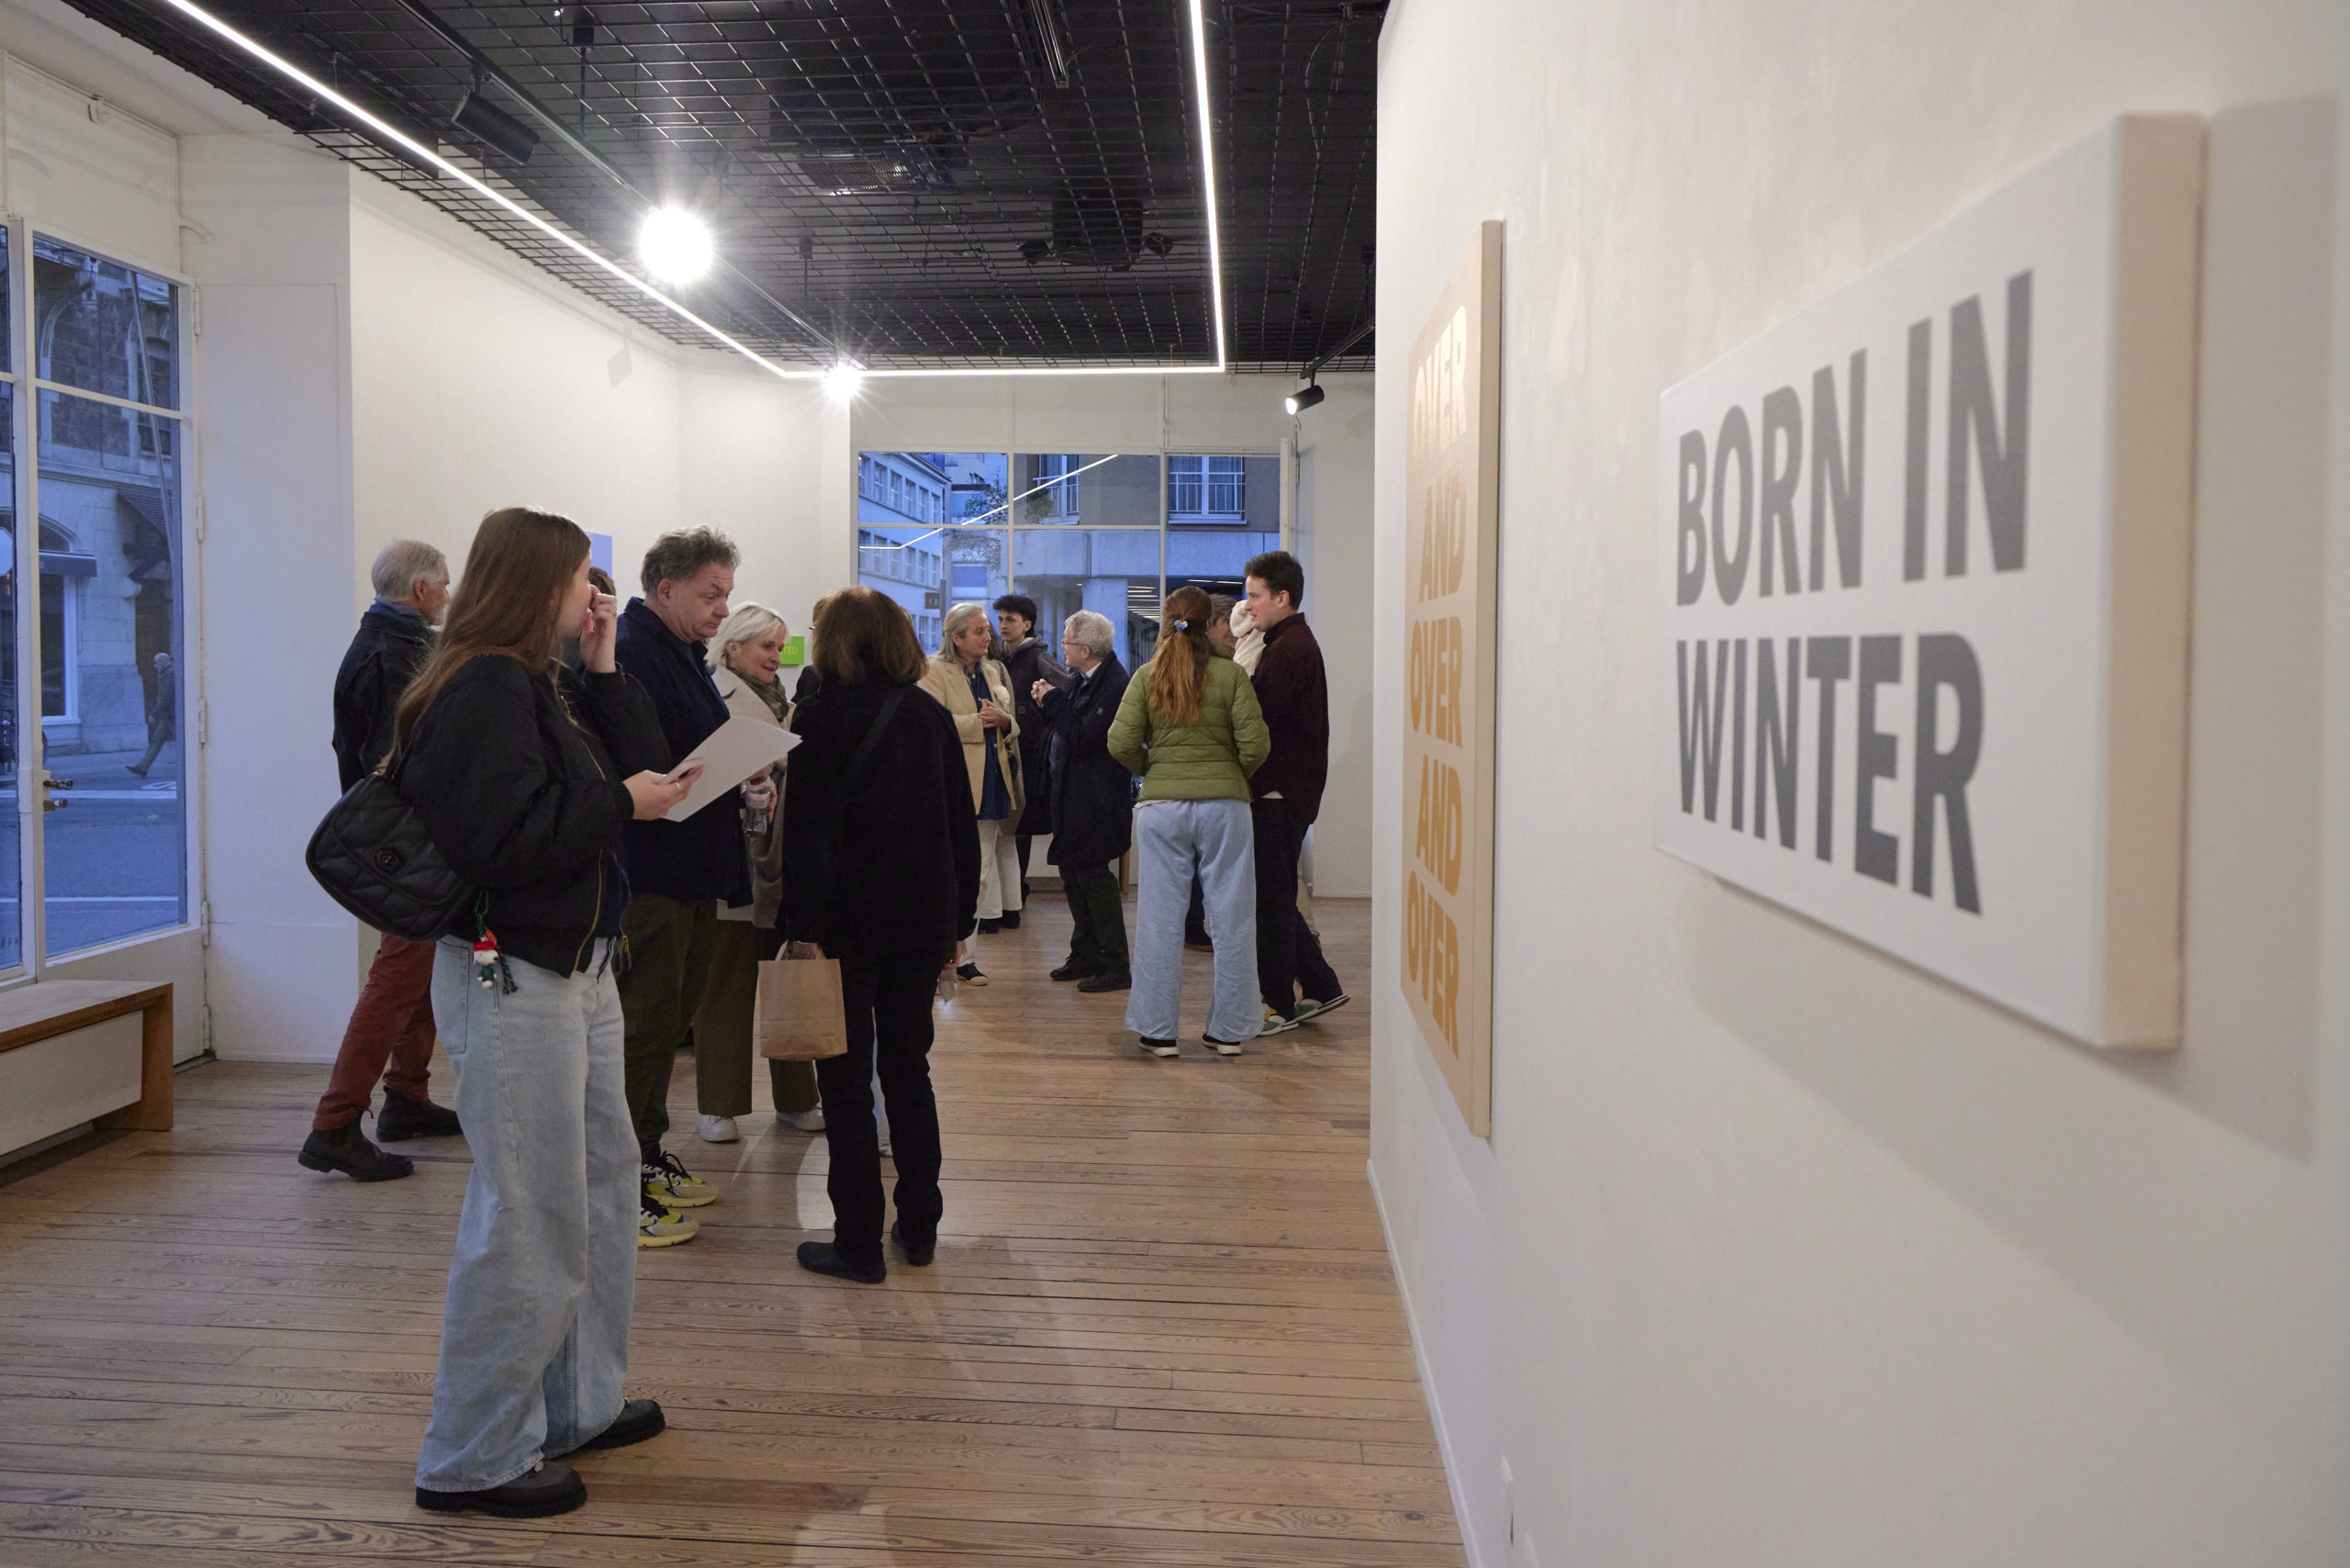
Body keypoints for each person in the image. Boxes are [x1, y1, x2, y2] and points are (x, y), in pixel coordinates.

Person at [394, 506, 695, 1518]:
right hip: (513, 969)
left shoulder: (539, 680)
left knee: (601, 1185)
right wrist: (621, 804)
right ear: (535, 584)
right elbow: (503, 841)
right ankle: (471, 1453)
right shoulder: (480, 686)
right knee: (529, 1207)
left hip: (575, 964)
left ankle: (574, 1404)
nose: (593, 595)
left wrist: (604, 666)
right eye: (580, 580)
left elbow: (645, 764)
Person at [781, 587, 978, 1284]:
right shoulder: (929, 714)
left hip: (845, 925)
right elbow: (959, 828)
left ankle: (858, 1243)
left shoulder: (818, 718)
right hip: (920, 924)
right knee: (908, 1071)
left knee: (845, 1083)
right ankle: (919, 1229)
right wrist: (958, 924)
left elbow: (809, 839)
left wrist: (803, 930)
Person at [298, 541, 461, 1183]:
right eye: (443, 584)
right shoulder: (397, 655)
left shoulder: (384, 643)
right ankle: (335, 1123)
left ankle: (407, 1097)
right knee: (397, 976)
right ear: (420, 590)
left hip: (402, 843)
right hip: (408, 847)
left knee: (416, 968)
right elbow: (398, 761)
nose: (448, 594)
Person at [613, 528, 746, 1236]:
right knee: (643, 1026)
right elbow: (641, 760)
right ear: (665, 590)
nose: (722, 607)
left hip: (690, 865)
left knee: (668, 1024)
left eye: (726, 594)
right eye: (711, 594)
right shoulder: (633, 652)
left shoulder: (680, 652)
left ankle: (646, 1151)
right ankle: (620, 1176)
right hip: (652, 872)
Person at [1107, 586, 1269, 1058]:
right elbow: (1256, 745)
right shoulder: (1232, 674)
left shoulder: (1147, 675)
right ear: (1208, 624)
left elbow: (1120, 743)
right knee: (1233, 918)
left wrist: (1154, 770)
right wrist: (1229, 773)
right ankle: (1229, 1031)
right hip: (1225, 807)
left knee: (1159, 918)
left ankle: (1158, 1031)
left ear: (1166, 623)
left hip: (1162, 808)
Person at [689, 601, 823, 1143]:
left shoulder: (784, 701)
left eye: (780, 646)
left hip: (784, 862)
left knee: (786, 981)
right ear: (733, 647)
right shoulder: (712, 697)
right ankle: (718, 1105)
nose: (776, 656)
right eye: (766, 646)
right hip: (735, 862)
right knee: (726, 986)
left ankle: (797, 1099)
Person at [1243, 550, 1348, 1034]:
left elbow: (1255, 720)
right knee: (1278, 898)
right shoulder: (1287, 642)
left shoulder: (1288, 650)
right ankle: (1322, 985)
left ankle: (1278, 1005)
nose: (1247, 606)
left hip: (1277, 795)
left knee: (1271, 905)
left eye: (1255, 596)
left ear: (1282, 597)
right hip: (1285, 794)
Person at [919, 602, 1021, 975]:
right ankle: (938, 954)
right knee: (947, 876)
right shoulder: (933, 671)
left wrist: (1005, 720)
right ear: (956, 637)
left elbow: (1011, 724)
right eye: (979, 631)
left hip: (991, 784)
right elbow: (932, 723)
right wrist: (980, 722)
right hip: (953, 786)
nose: (988, 636)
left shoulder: (992, 670)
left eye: (987, 630)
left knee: (980, 876)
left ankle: (967, 959)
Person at [1035, 610, 1132, 991]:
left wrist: (1053, 700)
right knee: (1073, 873)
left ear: (1086, 650)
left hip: (1097, 798)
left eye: (1067, 642)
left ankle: (1115, 964)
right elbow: (1066, 726)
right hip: (1072, 793)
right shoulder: (1083, 678)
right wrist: (1049, 703)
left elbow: (1083, 737)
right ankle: (1086, 953)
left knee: (1094, 876)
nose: (1062, 647)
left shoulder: (1114, 686)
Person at [993, 592, 1069, 909]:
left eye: (1010, 619)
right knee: (1009, 824)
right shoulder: (998, 658)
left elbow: (1066, 688)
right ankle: (1009, 892)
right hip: (1006, 751)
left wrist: (1044, 718)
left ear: (1027, 624)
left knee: (1021, 824)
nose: (1003, 625)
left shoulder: (1038, 657)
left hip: (1031, 753)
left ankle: (1016, 890)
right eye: (1000, 619)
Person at [127, 651, 176, 778]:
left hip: (172, 715)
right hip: (167, 715)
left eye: (156, 663)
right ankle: (142, 768)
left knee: (184, 741)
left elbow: (166, 696)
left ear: (162, 662)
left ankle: (193, 763)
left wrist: (154, 713)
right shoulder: (167, 672)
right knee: (157, 740)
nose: (155, 666)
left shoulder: (170, 673)